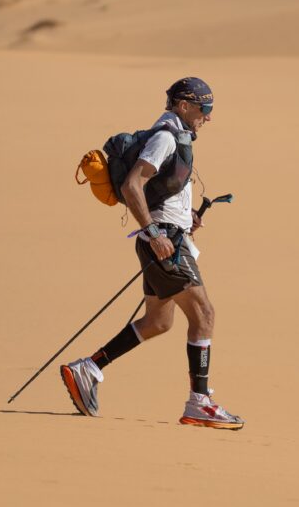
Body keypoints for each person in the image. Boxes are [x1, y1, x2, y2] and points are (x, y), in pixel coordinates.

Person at [60, 77, 244, 430]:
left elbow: (163, 190)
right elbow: (132, 185)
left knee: (159, 322)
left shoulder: (179, 137)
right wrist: (155, 231)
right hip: (163, 242)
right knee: (204, 314)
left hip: (168, 237)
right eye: (204, 109)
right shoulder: (164, 137)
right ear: (183, 105)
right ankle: (199, 403)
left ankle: (89, 368)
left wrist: (185, 216)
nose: (208, 116)